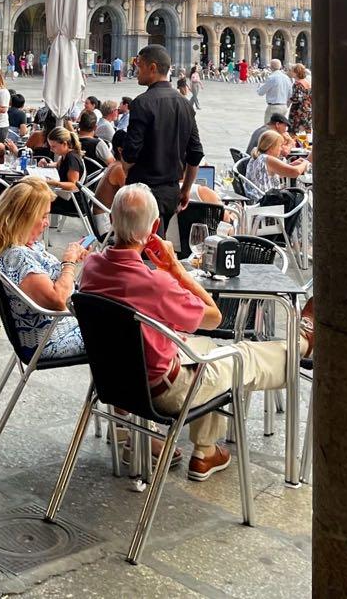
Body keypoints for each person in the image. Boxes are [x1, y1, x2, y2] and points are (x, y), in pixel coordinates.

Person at [80, 184, 308, 481]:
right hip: (163, 392)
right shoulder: (154, 284)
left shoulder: (92, 266)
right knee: (242, 354)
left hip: (116, 382)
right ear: (155, 227)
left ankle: (203, 448)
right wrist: (175, 269)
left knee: (206, 350)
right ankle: (302, 345)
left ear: (112, 221)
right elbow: (213, 316)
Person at [0, 177, 87, 358]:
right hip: (53, 337)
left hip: (61, 325)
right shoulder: (17, 256)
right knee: (133, 335)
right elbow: (58, 301)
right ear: (23, 218)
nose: (47, 223)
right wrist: (69, 262)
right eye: (43, 216)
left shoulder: (22, 245)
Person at [121, 45, 204, 230]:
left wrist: (126, 167)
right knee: (157, 247)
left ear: (152, 67)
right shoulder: (185, 105)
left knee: (141, 249)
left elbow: (130, 153)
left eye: (139, 65)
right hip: (171, 192)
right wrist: (186, 189)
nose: (136, 71)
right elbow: (196, 153)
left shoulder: (142, 103)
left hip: (142, 192)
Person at [245, 130, 309, 200]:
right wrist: (306, 162)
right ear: (271, 147)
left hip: (256, 199)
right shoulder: (268, 159)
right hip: (265, 202)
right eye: (280, 145)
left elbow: (277, 172)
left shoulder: (258, 156)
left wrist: (291, 165)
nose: (281, 149)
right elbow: (295, 172)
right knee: (300, 196)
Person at [37, 125, 87, 213]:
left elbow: (74, 185)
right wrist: (47, 165)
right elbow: (59, 165)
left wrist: (55, 183)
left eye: (54, 146)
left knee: (32, 201)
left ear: (64, 144)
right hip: (65, 197)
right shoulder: (67, 155)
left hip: (71, 203)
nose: (51, 149)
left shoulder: (72, 158)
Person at [287, 63, 313, 134]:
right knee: (305, 133)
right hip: (307, 109)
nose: (290, 72)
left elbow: (297, 98)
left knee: (294, 132)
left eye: (292, 71)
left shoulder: (297, 84)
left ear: (296, 73)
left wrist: (289, 100)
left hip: (298, 111)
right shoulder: (306, 82)